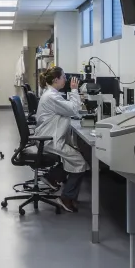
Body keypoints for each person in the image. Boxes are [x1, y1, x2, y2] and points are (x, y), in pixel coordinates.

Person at [35, 66, 88, 213]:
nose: (66, 79)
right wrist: (74, 90)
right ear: (55, 80)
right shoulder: (52, 97)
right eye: (64, 77)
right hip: (49, 139)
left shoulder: (52, 94)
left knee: (73, 156)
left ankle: (53, 177)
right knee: (80, 162)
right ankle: (66, 197)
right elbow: (73, 109)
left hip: (49, 137)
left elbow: (68, 110)